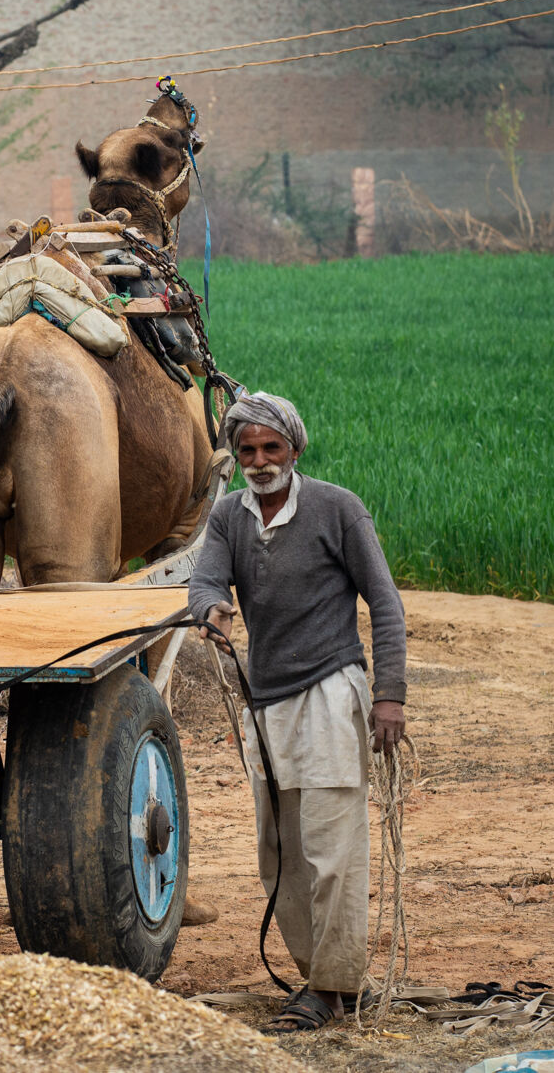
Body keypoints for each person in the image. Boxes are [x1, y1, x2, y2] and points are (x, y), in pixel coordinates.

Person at [186, 391, 406, 1033]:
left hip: (332, 694)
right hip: (266, 702)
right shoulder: (228, 516)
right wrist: (211, 608)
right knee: (277, 853)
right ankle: (325, 978)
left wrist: (389, 695)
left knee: (332, 850)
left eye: (271, 448)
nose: (259, 461)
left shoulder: (339, 509)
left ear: (294, 449)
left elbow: (385, 603)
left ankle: (329, 990)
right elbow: (206, 579)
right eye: (248, 450)